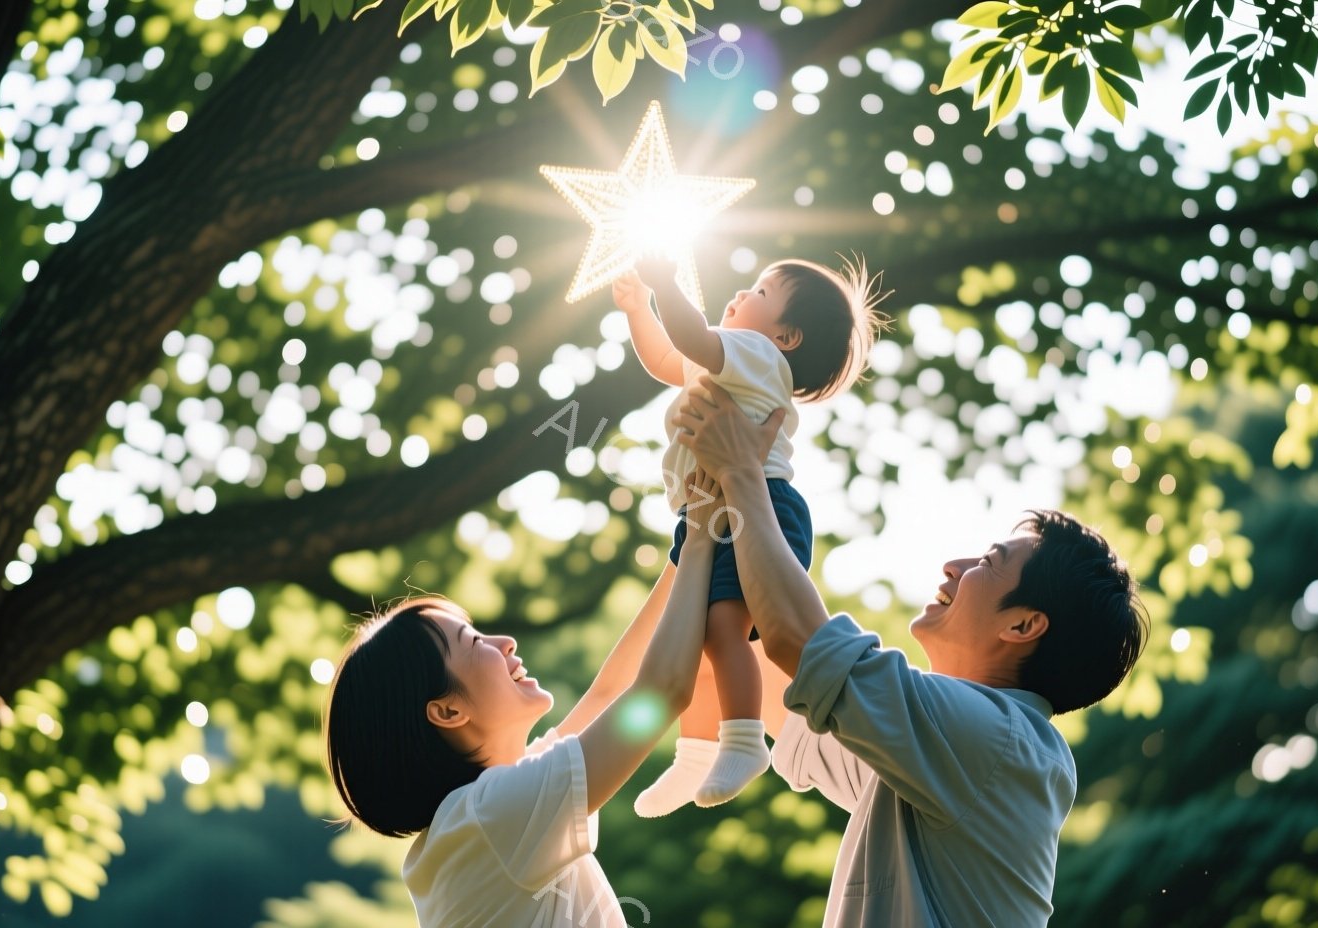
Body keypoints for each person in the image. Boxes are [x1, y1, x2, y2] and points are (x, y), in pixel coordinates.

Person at [672, 379, 1151, 927]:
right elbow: (764, 666)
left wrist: (743, 473)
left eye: (989, 563)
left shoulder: (998, 743)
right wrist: (710, 519)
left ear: (1023, 624)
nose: (954, 565)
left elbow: (797, 642)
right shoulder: (927, 752)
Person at [322, 469, 744, 928]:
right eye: (473, 642)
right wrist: (701, 537)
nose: (505, 642)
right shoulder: (493, 818)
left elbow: (611, 694)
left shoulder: (483, 817)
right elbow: (660, 692)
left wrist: (689, 538)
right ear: (447, 710)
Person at [611, 253, 890, 816]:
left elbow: (687, 336)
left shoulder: (755, 355)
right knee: (696, 634)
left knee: (720, 629)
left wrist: (664, 281)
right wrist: (639, 311)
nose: (742, 291)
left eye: (761, 292)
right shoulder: (728, 359)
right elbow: (668, 357)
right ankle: (694, 752)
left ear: (785, 336)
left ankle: (743, 740)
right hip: (715, 512)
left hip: (756, 510)